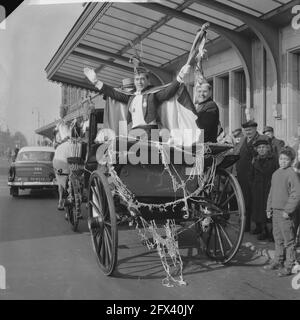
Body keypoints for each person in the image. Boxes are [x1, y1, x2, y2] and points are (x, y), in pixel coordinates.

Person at [84, 64, 192, 139]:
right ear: (134, 81)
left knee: (149, 162)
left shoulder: (153, 94)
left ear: (148, 81)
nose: (139, 82)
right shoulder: (131, 97)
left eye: (142, 79)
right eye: (137, 79)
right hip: (134, 131)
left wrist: (180, 77)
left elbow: (168, 92)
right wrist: (96, 82)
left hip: (151, 131)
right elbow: (113, 93)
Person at [264, 147, 300, 276]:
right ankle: (278, 260)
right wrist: (269, 208)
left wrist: (288, 210)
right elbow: (271, 193)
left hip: (286, 213)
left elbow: (296, 194)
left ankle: (288, 266)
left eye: (286, 159)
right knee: (277, 238)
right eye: (281, 159)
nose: (282, 161)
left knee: (289, 240)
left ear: (291, 161)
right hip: (276, 211)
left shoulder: (292, 174)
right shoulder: (276, 174)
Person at [235, 120, 267, 232]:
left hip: (256, 175)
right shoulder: (242, 140)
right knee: (245, 200)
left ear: (255, 129)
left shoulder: (262, 139)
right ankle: (246, 225)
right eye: (246, 130)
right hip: (243, 176)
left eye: (250, 130)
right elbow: (236, 153)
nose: (248, 132)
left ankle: (260, 227)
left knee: (257, 201)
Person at [250, 138, 278, 240]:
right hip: (258, 189)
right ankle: (264, 231)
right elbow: (251, 176)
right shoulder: (255, 161)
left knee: (270, 211)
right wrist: (253, 187)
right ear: (257, 150)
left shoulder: (274, 159)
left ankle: (272, 233)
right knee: (260, 211)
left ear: (267, 148)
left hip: (269, 188)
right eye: (259, 148)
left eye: (263, 147)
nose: (261, 149)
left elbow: (277, 173)